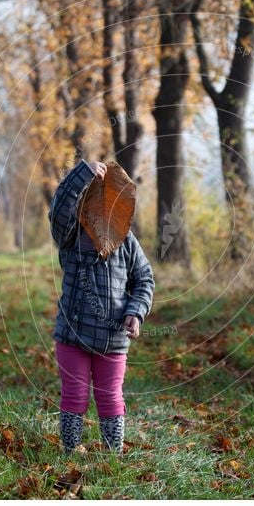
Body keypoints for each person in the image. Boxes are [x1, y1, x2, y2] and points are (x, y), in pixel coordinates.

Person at [48, 158, 155, 453]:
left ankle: (112, 453)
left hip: (113, 338)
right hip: (72, 335)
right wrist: (81, 173)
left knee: (109, 396)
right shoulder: (70, 236)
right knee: (75, 395)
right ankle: (70, 450)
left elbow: (144, 279)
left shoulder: (127, 243)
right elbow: (58, 212)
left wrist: (136, 311)